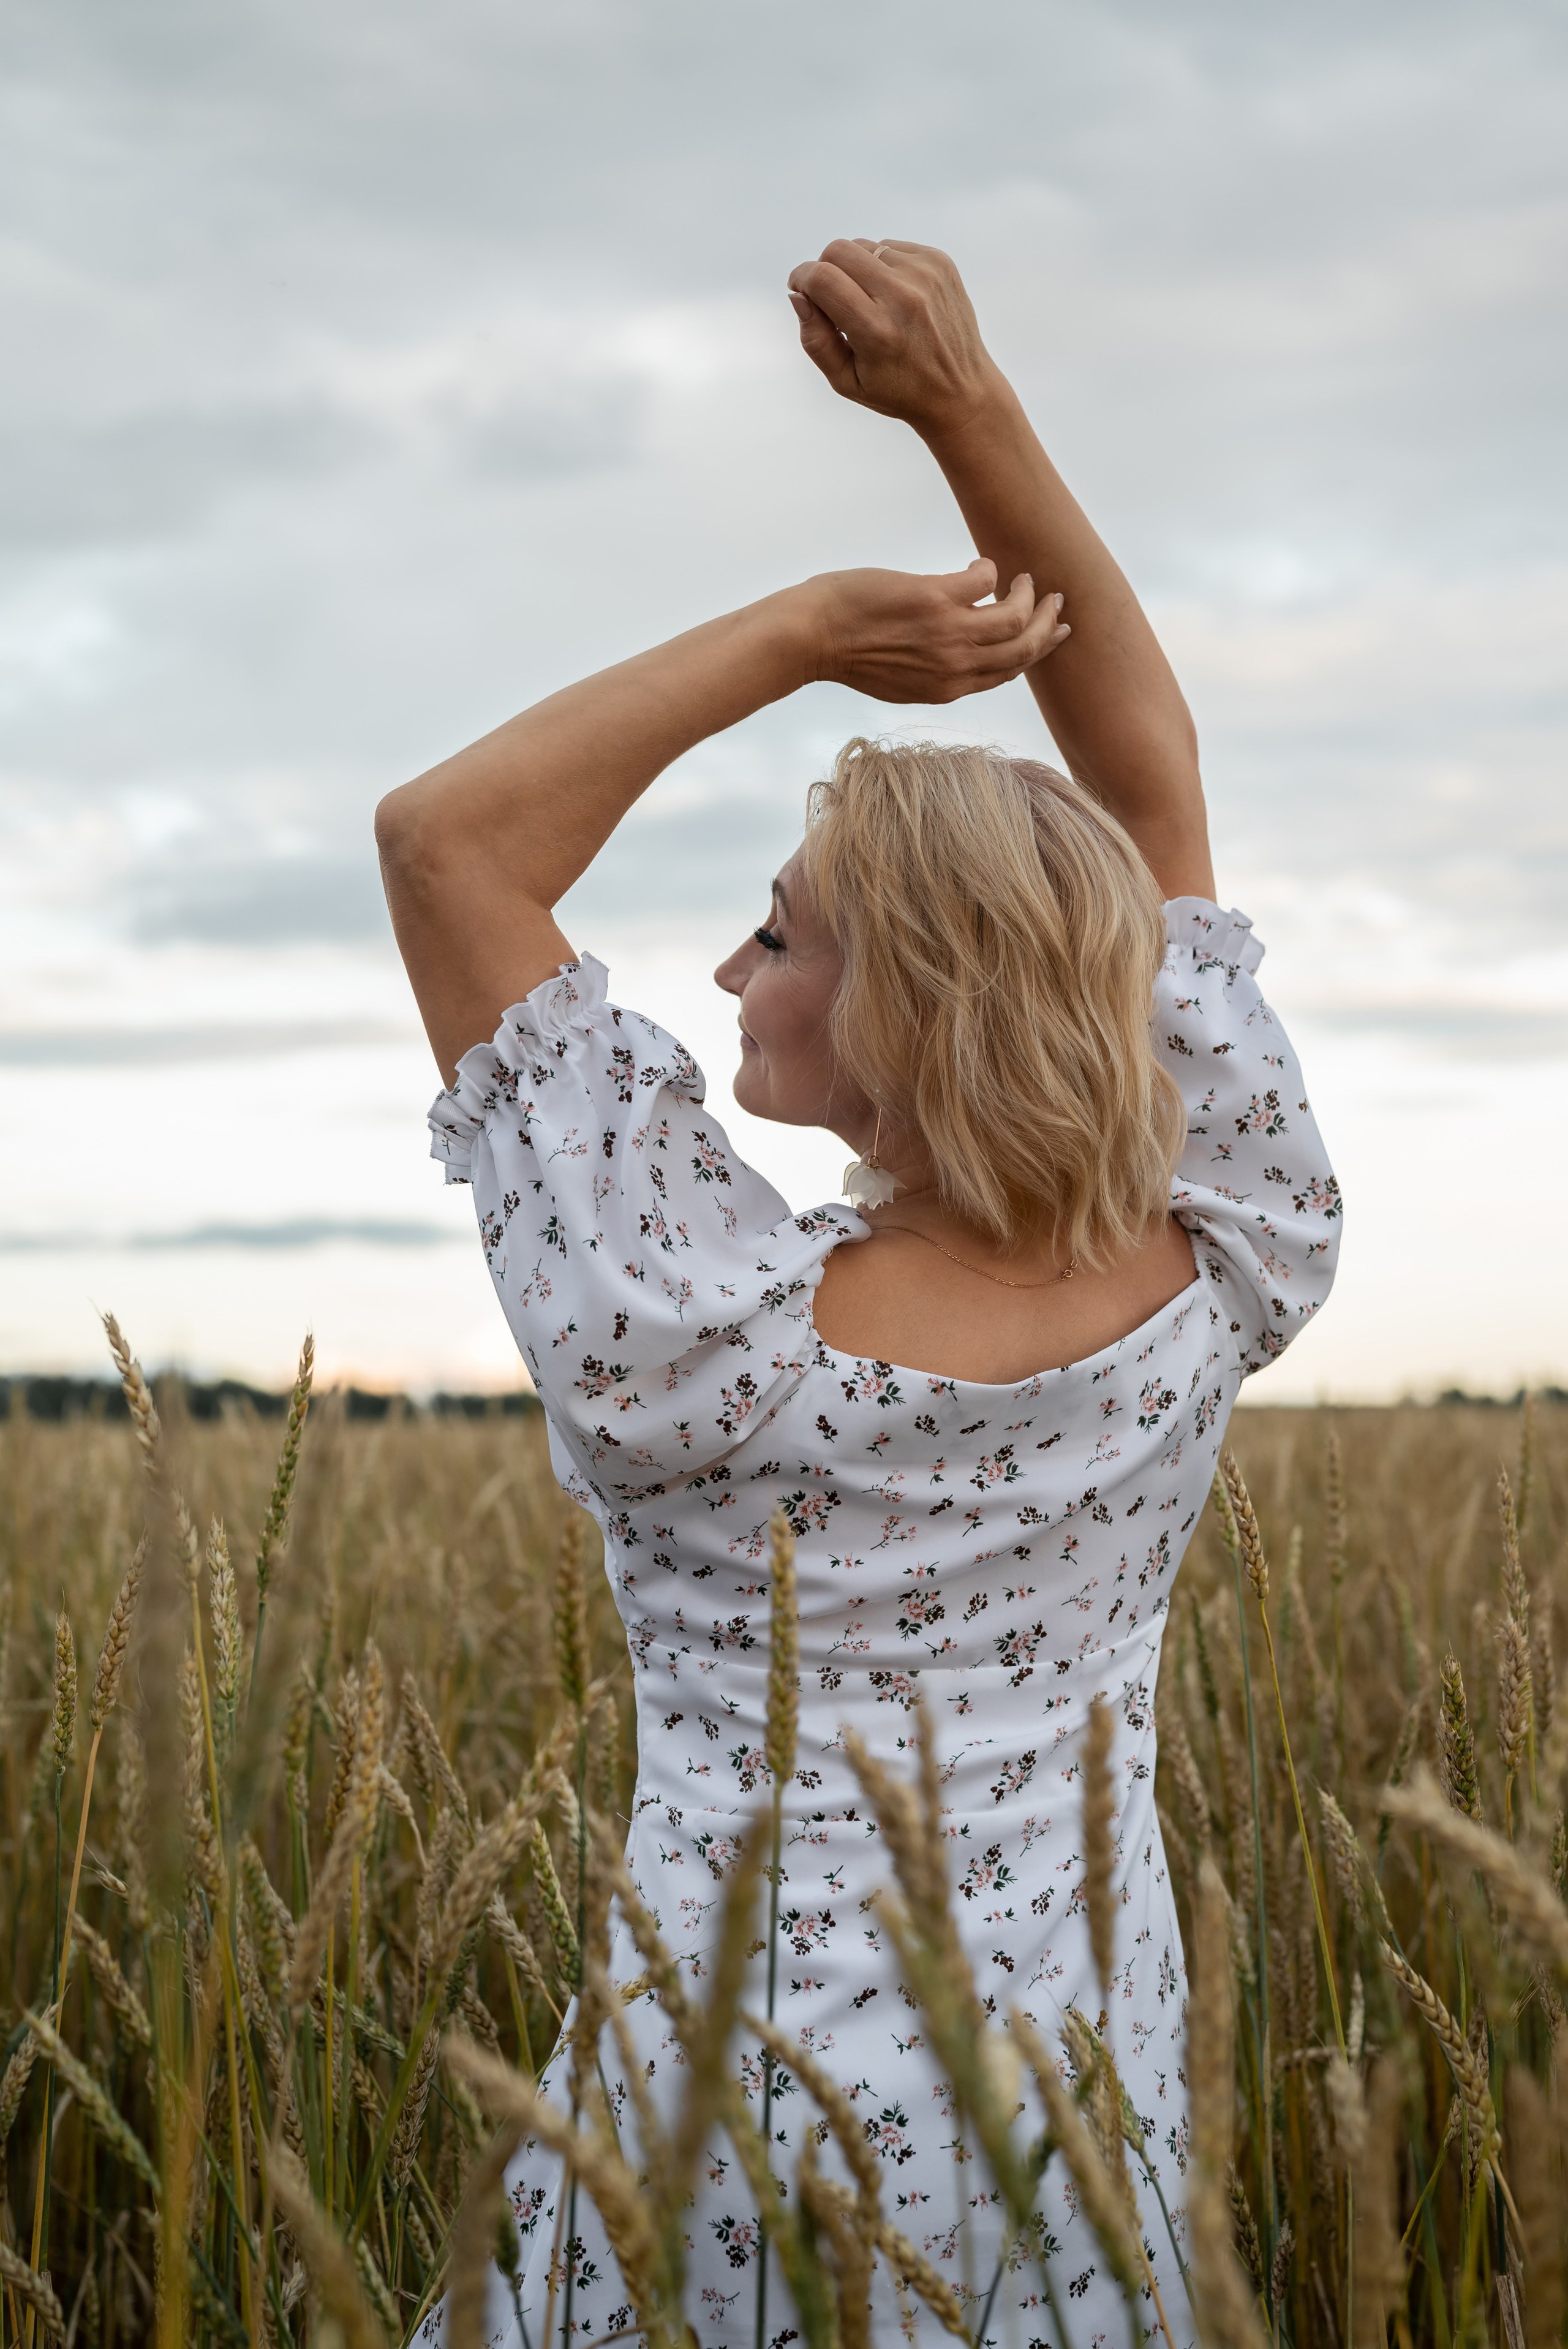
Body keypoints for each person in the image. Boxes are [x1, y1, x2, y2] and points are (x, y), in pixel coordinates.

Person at [378, 240, 1341, 2349]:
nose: (730, 970)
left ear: (908, 1000)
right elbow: (1154, 782)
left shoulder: (687, 1330)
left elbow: (451, 844)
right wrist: (963, 400)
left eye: (781, 933)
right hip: (1062, 2124)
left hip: (708, 2117)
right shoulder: (1221, 1260)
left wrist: (819, 627)